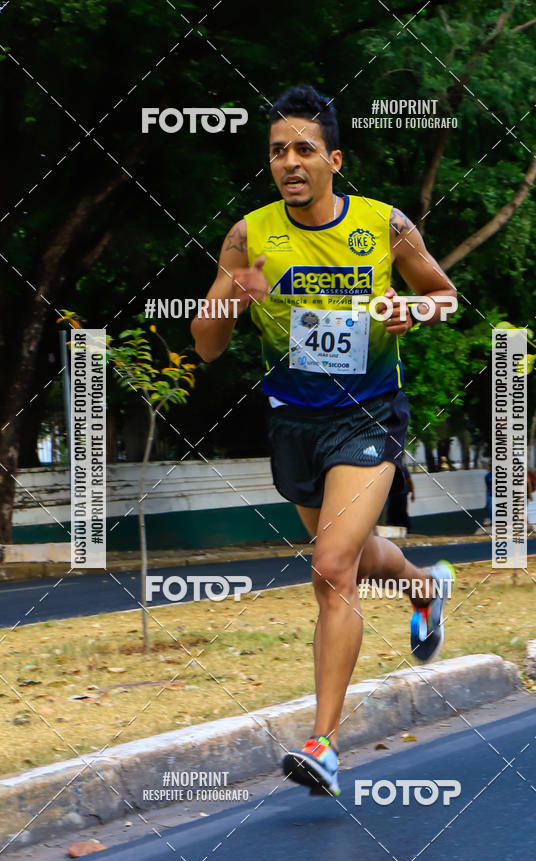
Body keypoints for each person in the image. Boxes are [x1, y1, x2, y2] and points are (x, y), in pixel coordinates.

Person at [191, 85, 457, 798]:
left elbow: (445, 295)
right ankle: (424, 586)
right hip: (294, 422)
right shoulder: (250, 234)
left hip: (369, 412)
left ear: (333, 159)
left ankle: (323, 744)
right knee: (353, 555)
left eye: (304, 149)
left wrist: (412, 310)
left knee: (332, 567)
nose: (290, 161)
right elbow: (208, 346)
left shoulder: (385, 225)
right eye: (278, 151)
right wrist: (229, 298)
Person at [387, 461, 415, 532]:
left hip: (401, 493)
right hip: (393, 493)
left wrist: (413, 494)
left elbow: (409, 481)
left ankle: (408, 529)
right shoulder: (389, 468)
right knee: (393, 512)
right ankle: (397, 527)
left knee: (402, 511)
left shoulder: (402, 468)